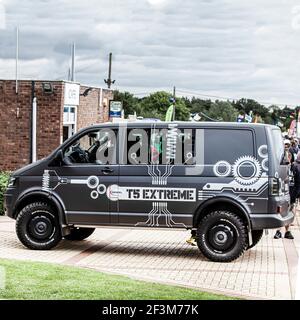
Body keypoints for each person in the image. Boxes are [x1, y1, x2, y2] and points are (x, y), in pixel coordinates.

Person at [274, 145, 296, 240]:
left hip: (292, 194)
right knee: (281, 213)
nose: (287, 159)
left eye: (288, 157)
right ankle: (278, 231)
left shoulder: (294, 167)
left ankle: (287, 232)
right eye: (286, 157)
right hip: (282, 194)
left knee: (290, 212)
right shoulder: (280, 168)